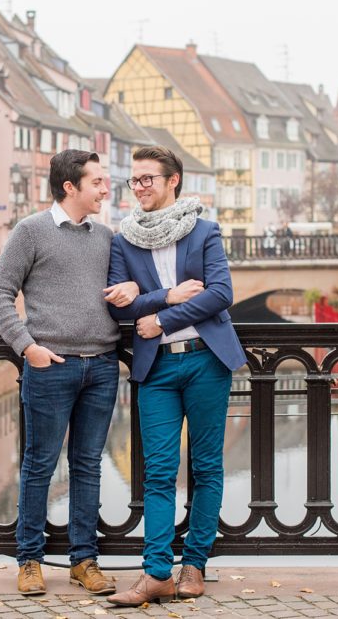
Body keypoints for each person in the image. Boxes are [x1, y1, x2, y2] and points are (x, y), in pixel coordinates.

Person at [0, 149, 139, 597]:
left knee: (88, 465)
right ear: (70, 187)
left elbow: (128, 288)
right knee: (39, 466)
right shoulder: (31, 231)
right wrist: (27, 346)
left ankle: (83, 561)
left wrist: (133, 287)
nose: (106, 190)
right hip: (50, 367)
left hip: (103, 367)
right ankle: (29, 560)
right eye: (97, 182)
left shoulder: (107, 236)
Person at [104, 145, 246, 607]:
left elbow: (220, 294)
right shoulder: (122, 240)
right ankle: (157, 573)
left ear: (173, 181)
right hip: (157, 369)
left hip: (206, 361)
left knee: (206, 467)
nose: (140, 187)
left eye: (148, 178)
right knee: (159, 471)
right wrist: (167, 296)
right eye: (135, 180)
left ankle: (195, 566)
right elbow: (120, 305)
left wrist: (159, 317)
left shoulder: (204, 231)